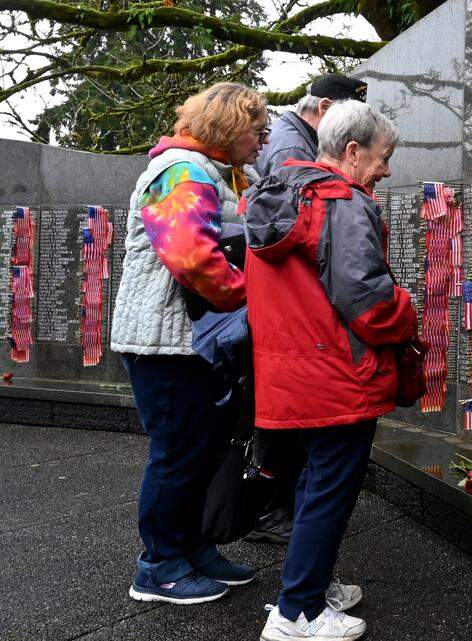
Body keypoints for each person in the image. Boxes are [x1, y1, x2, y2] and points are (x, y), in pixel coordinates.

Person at [243, 101, 416, 641]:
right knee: (329, 490)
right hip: (337, 374)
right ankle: (297, 614)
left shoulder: (281, 194)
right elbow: (366, 299)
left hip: (293, 373)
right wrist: (407, 310)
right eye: (383, 158)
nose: (385, 171)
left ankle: (309, 588)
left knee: (312, 485)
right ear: (352, 151)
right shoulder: (341, 202)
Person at [111, 82, 267, 604]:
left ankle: (193, 549)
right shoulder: (182, 170)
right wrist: (258, 304)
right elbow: (193, 259)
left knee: (199, 452)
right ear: (226, 126)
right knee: (177, 454)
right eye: (254, 126)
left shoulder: (211, 172)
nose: (263, 136)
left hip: (192, 341)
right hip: (166, 343)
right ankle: (157, 567)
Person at [246, 73, 368, 548]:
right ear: (320, 110)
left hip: (290, 330)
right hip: (298, 331)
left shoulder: (294, 142)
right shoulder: (290, 154)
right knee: (296, 439)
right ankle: (278, 519)